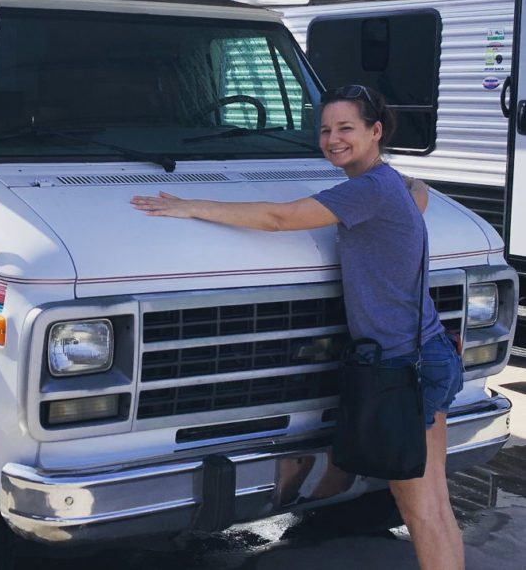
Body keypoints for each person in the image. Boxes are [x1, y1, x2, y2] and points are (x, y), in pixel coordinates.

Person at [130, 85, 465, 570]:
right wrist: (414, 183)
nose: (332, 139)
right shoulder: (389, 185)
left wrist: (188, 206)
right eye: (325, 129)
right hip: (425, 354)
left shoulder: (367, 190)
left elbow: (278, 217)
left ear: (376, 131)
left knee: (423, 512)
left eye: (346, 128)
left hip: (402, 368)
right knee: (433, 503)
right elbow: (419, 196)